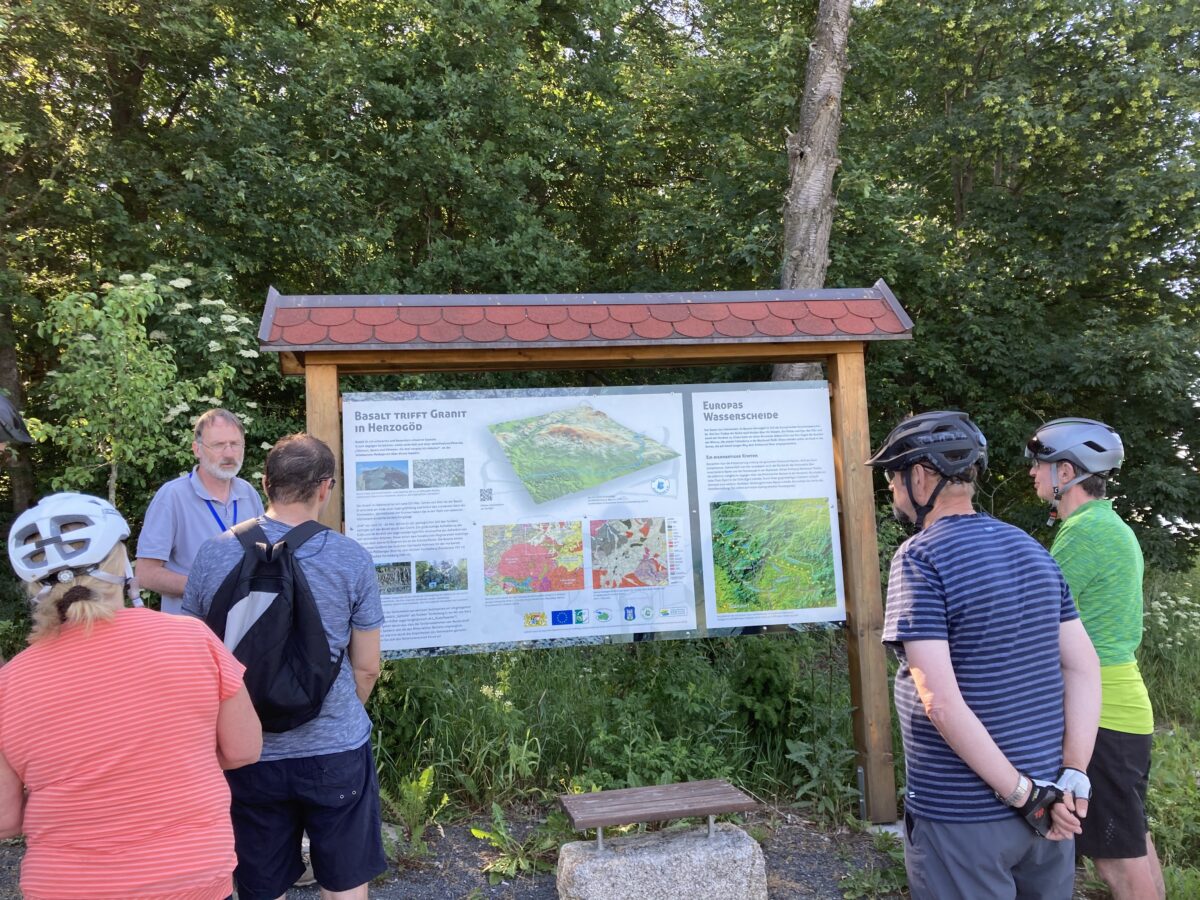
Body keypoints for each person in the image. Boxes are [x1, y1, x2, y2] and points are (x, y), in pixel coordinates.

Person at [868, 410, 1100, 899]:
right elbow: (1083, 666)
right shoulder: (1031, 550)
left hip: (965, 818)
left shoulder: (920, 556)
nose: (890, 488)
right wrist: (1073, 772)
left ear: (921, 476)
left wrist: (1020, 793)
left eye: (893, 475)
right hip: (1047, 812)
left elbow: (940, 701)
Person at [0, 492, 262, 900]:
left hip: (68, 887)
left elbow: (5, 818)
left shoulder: (9, 683)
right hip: (189, 876)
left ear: (32, 585)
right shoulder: (192, 639)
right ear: (121, 562)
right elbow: (244, 749)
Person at [183, 433, 386, 900]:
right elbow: (367, 667)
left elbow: (195, 655)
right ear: (326, 487)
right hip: (334, 748)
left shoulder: (214, 552)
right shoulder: (350, 558)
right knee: (345, 882)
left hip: (246, 749)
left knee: (262, 883)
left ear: (265, 483)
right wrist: (334, 712)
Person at [1027, 418, 1164, 899]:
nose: (1033, 473)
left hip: (1102, 713)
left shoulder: (1086, 532)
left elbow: (1036, 618)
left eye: (1040, 465)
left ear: (1066, 472)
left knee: (1118, 866)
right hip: (1121, 706)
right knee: (1132, 844)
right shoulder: (1108, 526)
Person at [136, 408, 263, 613]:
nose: (229, 453)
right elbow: (146, 574)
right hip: (190, 629)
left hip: (242, 626)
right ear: (197, 449)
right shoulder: (172, 496)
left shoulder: (249, 493)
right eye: (218, 445)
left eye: (235, 444)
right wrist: (210, 588)